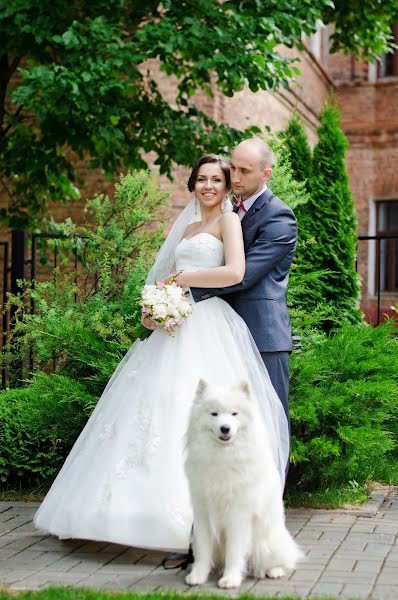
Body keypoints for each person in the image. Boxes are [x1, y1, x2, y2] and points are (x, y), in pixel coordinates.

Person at [33, 154, 289, 553]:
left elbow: (236, 272)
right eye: (201, 179)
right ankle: (116, 512)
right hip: (174, 324)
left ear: (225, 187)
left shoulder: (230, 222)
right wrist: (154, 308)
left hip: (209, 323)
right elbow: (163, 274)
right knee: (150, 405)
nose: (208, 186)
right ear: (192, 185)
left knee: (188, 406)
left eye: (216, 180)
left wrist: (185, 280)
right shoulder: (186, 227)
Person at [189, 139, 298, 450]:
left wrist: (186, 289)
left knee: (269, 420)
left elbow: (244, 276)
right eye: (232, 167)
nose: (234, 177)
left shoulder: (280, 217)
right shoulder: (227, 209)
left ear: (266, 174)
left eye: (244, 171)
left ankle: (272, 497)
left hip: (262, 334)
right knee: (230, 425)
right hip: (221, 334)